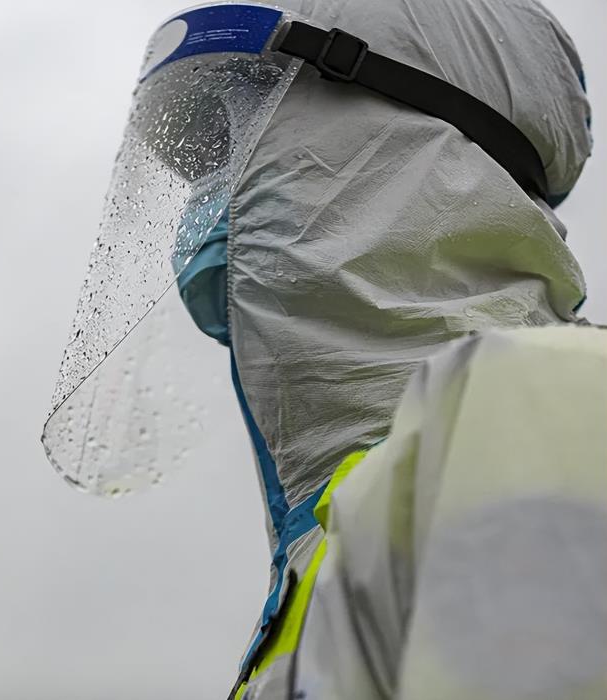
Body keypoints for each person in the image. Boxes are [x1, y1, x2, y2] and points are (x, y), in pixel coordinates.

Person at [43, 1, 606, 698]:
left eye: (245, 130)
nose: (212, 201)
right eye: (209, 161)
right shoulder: (331, 550)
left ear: (398, 135)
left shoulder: (550, 421)